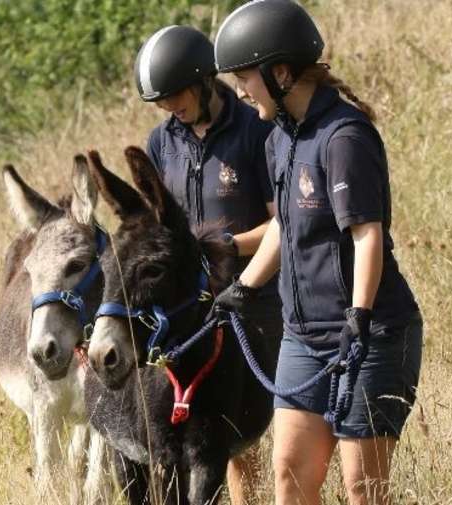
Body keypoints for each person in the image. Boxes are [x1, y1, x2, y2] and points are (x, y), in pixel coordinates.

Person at [212, 1, 423, 504]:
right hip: (303, 338)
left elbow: (367, 235)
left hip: (371, 336)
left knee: (362, 488)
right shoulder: (279, 140)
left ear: (280, 72)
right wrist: (243, 288)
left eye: (246, 77)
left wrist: (359, 314)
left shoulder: (344, 137)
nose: (241, 91)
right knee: (288, 472)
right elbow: (285, 225)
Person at [134, 25, 283, 505]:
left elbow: (282, 226)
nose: (168, 108)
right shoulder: (162, 142)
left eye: (174, 95)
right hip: (188, 313)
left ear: (202, 81)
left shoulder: (256, 131)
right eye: (160, 101)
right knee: (194, 437)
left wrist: (223, 247)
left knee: (244, 436)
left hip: (252, 300)